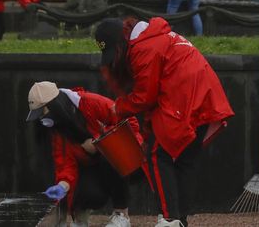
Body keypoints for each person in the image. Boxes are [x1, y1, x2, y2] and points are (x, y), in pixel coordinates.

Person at [94, 17, 234, 227]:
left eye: (114, 53)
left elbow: (145, 97)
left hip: (184, 97)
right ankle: (180, 220)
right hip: (205, 96)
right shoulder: (155, 37)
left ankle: (169, 219)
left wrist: (119, 108)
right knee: (185, 159)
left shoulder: (143, 48)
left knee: (156, 154)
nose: (115, 60)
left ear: (122, 42)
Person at [26, 81, 138, 227]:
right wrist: (62, 187)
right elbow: (66, 166)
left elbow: (129, 122)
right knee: (84, 193)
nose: (42, 119)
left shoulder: (90, 102)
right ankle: (80, 217)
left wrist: (99, 143)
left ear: (56, 105)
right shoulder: (58, 131)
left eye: (43, 112)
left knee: (110, 156)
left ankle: (121, 214)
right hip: (92, 169)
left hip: (127, 157)